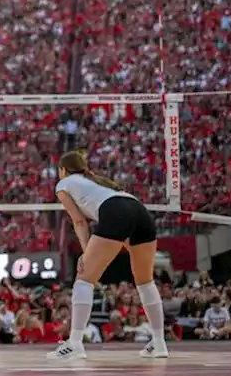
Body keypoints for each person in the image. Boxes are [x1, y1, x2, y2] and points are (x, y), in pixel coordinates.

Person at [46, 150, 168, 360]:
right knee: (145, 282)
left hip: (116, 211)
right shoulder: (99, 182)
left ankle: (75, 344)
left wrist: (86, 252)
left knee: (84, 279)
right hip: (139, 210)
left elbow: (79, 222)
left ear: (63, 170)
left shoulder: (63, 185)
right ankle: (159, 343)